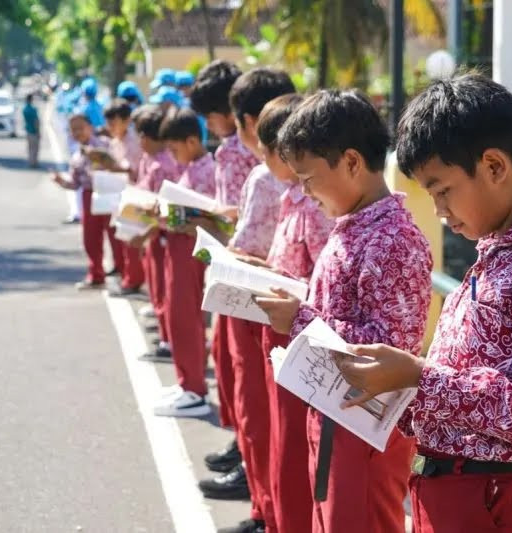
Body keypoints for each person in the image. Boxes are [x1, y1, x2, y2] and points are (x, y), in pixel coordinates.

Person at [333, 74, 512, 533]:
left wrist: (420, 378)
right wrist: (403, 390)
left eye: (443, 190)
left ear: (494, 166)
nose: (438, 209)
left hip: (502, 504)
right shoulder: (498, 247)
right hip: (458, 494)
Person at [256, 89, 433, 533]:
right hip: (338, 415)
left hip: (365, 429)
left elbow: (384, 349)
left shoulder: (391, 239)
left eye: (309, 177)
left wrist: (298, 318)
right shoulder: (353, 225)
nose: (304, 190)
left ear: (352, 162)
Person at [194, 69, 295, 533]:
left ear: (250, 122)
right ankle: (267, 503)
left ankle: (265, 509)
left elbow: (252, 245)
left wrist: (225, 251)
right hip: (284, 307)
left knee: (260, 413)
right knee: (269, 420)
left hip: (261, 305)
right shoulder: (294, 176)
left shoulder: (263, 173)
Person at [257, 93, 335, 533]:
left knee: (297, 462)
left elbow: (324, 296)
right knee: (283, 448)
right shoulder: (297, 200)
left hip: (304, 339)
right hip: (286, 332)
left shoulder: (320, 210)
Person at [189, 60, 260, 481]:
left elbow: (238, 222)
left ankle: (247, 459)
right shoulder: (236, 149)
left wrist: (213, 219)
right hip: (235, 266)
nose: (211, 124)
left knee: (245, 378)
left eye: (212, 115)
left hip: (241, 269)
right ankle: (243, 449)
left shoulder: (235, 152)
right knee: (235, 371)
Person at [152, 107, 214, 418]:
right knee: (177, 314)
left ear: (191, 141)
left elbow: (211, 216)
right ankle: (186, 381)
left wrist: (177, 217)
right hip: (180, 245)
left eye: (175, 149)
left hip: (191, 249)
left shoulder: (206, 170)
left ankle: (194, 389)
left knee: (185, 316)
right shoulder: (194, 167)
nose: (173, 156)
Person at [130, 104, 183, 360]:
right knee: (158, 287)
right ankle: (165, 336)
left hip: (160, 234)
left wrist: (145, 229)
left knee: (164, 289)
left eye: (143, 134)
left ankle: (169, 341)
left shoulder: (161, 166)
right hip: (154, 232)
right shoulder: (152, 161)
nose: (139, 140)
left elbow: (159, 205)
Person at [51, 113, 124, 289]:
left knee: (116, 236)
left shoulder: (104, 145)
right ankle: (96, 274)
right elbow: (76, 184)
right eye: (73, 129)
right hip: (88, 196)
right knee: (90, 238)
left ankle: (123, 273)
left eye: (80, 128)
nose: (77, 132)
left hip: (107, 193)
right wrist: (62, 182)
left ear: (90, 127)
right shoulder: (77, 154)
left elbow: (116, 167)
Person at [101, 98, 145, 296]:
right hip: (119, 196)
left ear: (127, 121)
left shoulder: (135, 142)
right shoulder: (115, 142)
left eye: (114, 123)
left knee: (133, 242)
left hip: (136, 197)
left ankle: (134, 280)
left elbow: (135, 171)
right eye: (108, 123)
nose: (110, 127)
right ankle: (129, 277)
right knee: (124, 241)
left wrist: (116, 168)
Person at [22, 93, 40, 168]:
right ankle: (34, 162)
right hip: (33, 131)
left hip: (28, 130)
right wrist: (38, 131)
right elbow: (36, 121)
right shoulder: (33, 109)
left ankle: (31, 161)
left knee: (30, 148)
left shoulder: (25, 109)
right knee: (35, 148)